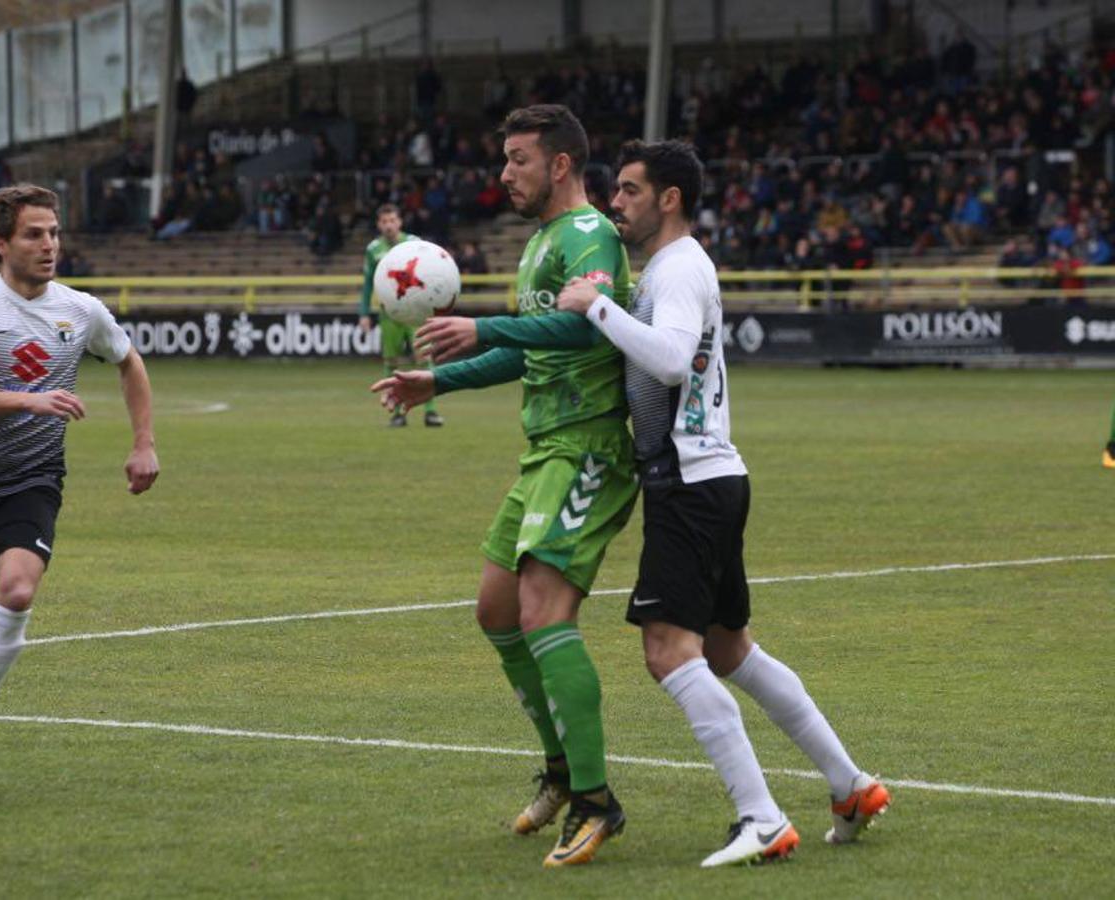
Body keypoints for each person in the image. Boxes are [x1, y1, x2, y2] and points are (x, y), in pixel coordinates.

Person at [554, 139, 890, 867]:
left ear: (669, 199)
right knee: (729, 648)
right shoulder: (678, 268)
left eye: (632, 191)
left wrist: (597, 306)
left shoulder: (678, 270)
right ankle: (849, 784)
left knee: (666, 650)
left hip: (689, 484)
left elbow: (672, 360)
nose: (617, 202)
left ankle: (761, 817)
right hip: (711, 478)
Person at [372, 105, 637, 867]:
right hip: (544, 450)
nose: (504, 173)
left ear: (559, 165)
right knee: (496, 610)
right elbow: (532, 352)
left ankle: (595, 800)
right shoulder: (540, 246)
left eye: (517, 159)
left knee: (543, 609)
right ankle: (560, 769)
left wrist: (485, 327)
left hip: (588, 447)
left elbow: (589, 326)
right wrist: (439, 381)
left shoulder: (589, 236)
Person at [0, 184, 159, 796]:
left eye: (54, 233)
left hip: (33, 480)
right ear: (1, 243)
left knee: (18, 591)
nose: (49, 245)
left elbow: (129, 362)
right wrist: (29, 398)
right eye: (34, 234)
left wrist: (144, 442)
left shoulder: (81, 310)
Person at [357, 204, 442, 427]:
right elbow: (367, 283)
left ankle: (431, 412)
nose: (388, 225)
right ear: (378, 224)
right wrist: (364, 313)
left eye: (392, 220)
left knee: (424, 359)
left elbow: (430, 271)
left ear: (400, 222)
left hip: (416, 313)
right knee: (391, 364)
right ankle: (396, 413)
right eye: (384, 221)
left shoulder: (414, 243)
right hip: (389, 314)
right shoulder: (373, 249)